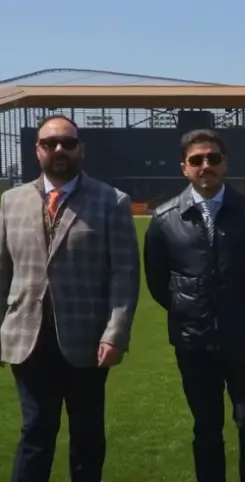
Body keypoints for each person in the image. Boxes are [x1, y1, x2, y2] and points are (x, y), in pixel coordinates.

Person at [0, 114, 141, 482]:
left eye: (68, 143)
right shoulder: (10, 202)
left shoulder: (111, 201)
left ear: (81, 149)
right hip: (26, 340)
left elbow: (124, 273)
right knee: (35, 432)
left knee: (87, 435)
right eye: (50, 143)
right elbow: (2, 274)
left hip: (87, 340)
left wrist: (116, 332)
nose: (59, 149)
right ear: (37, 151)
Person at [143, 129, 245, 482]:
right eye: (197, 160)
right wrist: (193, 310)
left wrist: (241, 307)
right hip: (193, 341)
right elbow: (159, 284)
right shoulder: (164, 220)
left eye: (213, 158)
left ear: (225, 164)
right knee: (206, 426)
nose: (205, 165)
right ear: (184, 168)